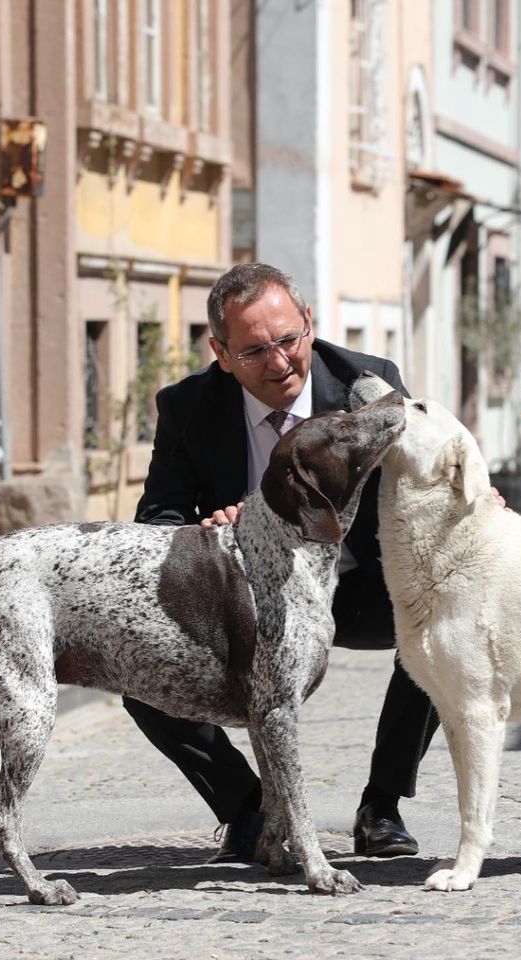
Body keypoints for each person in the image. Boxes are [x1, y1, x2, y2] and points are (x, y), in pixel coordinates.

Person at [123, 262, 441, 863]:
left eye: (289, 340)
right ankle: (250, 811)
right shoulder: (186, 406)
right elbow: (158, 520)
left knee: (434, 636)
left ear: (309, 324)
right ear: (221, 353)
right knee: (137, 672)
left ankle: (382, 807)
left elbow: (425, 473)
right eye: (253, 351)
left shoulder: (368, 383)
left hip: (357, 583)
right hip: (246, 598)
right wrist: (204, 531)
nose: (279, 362)